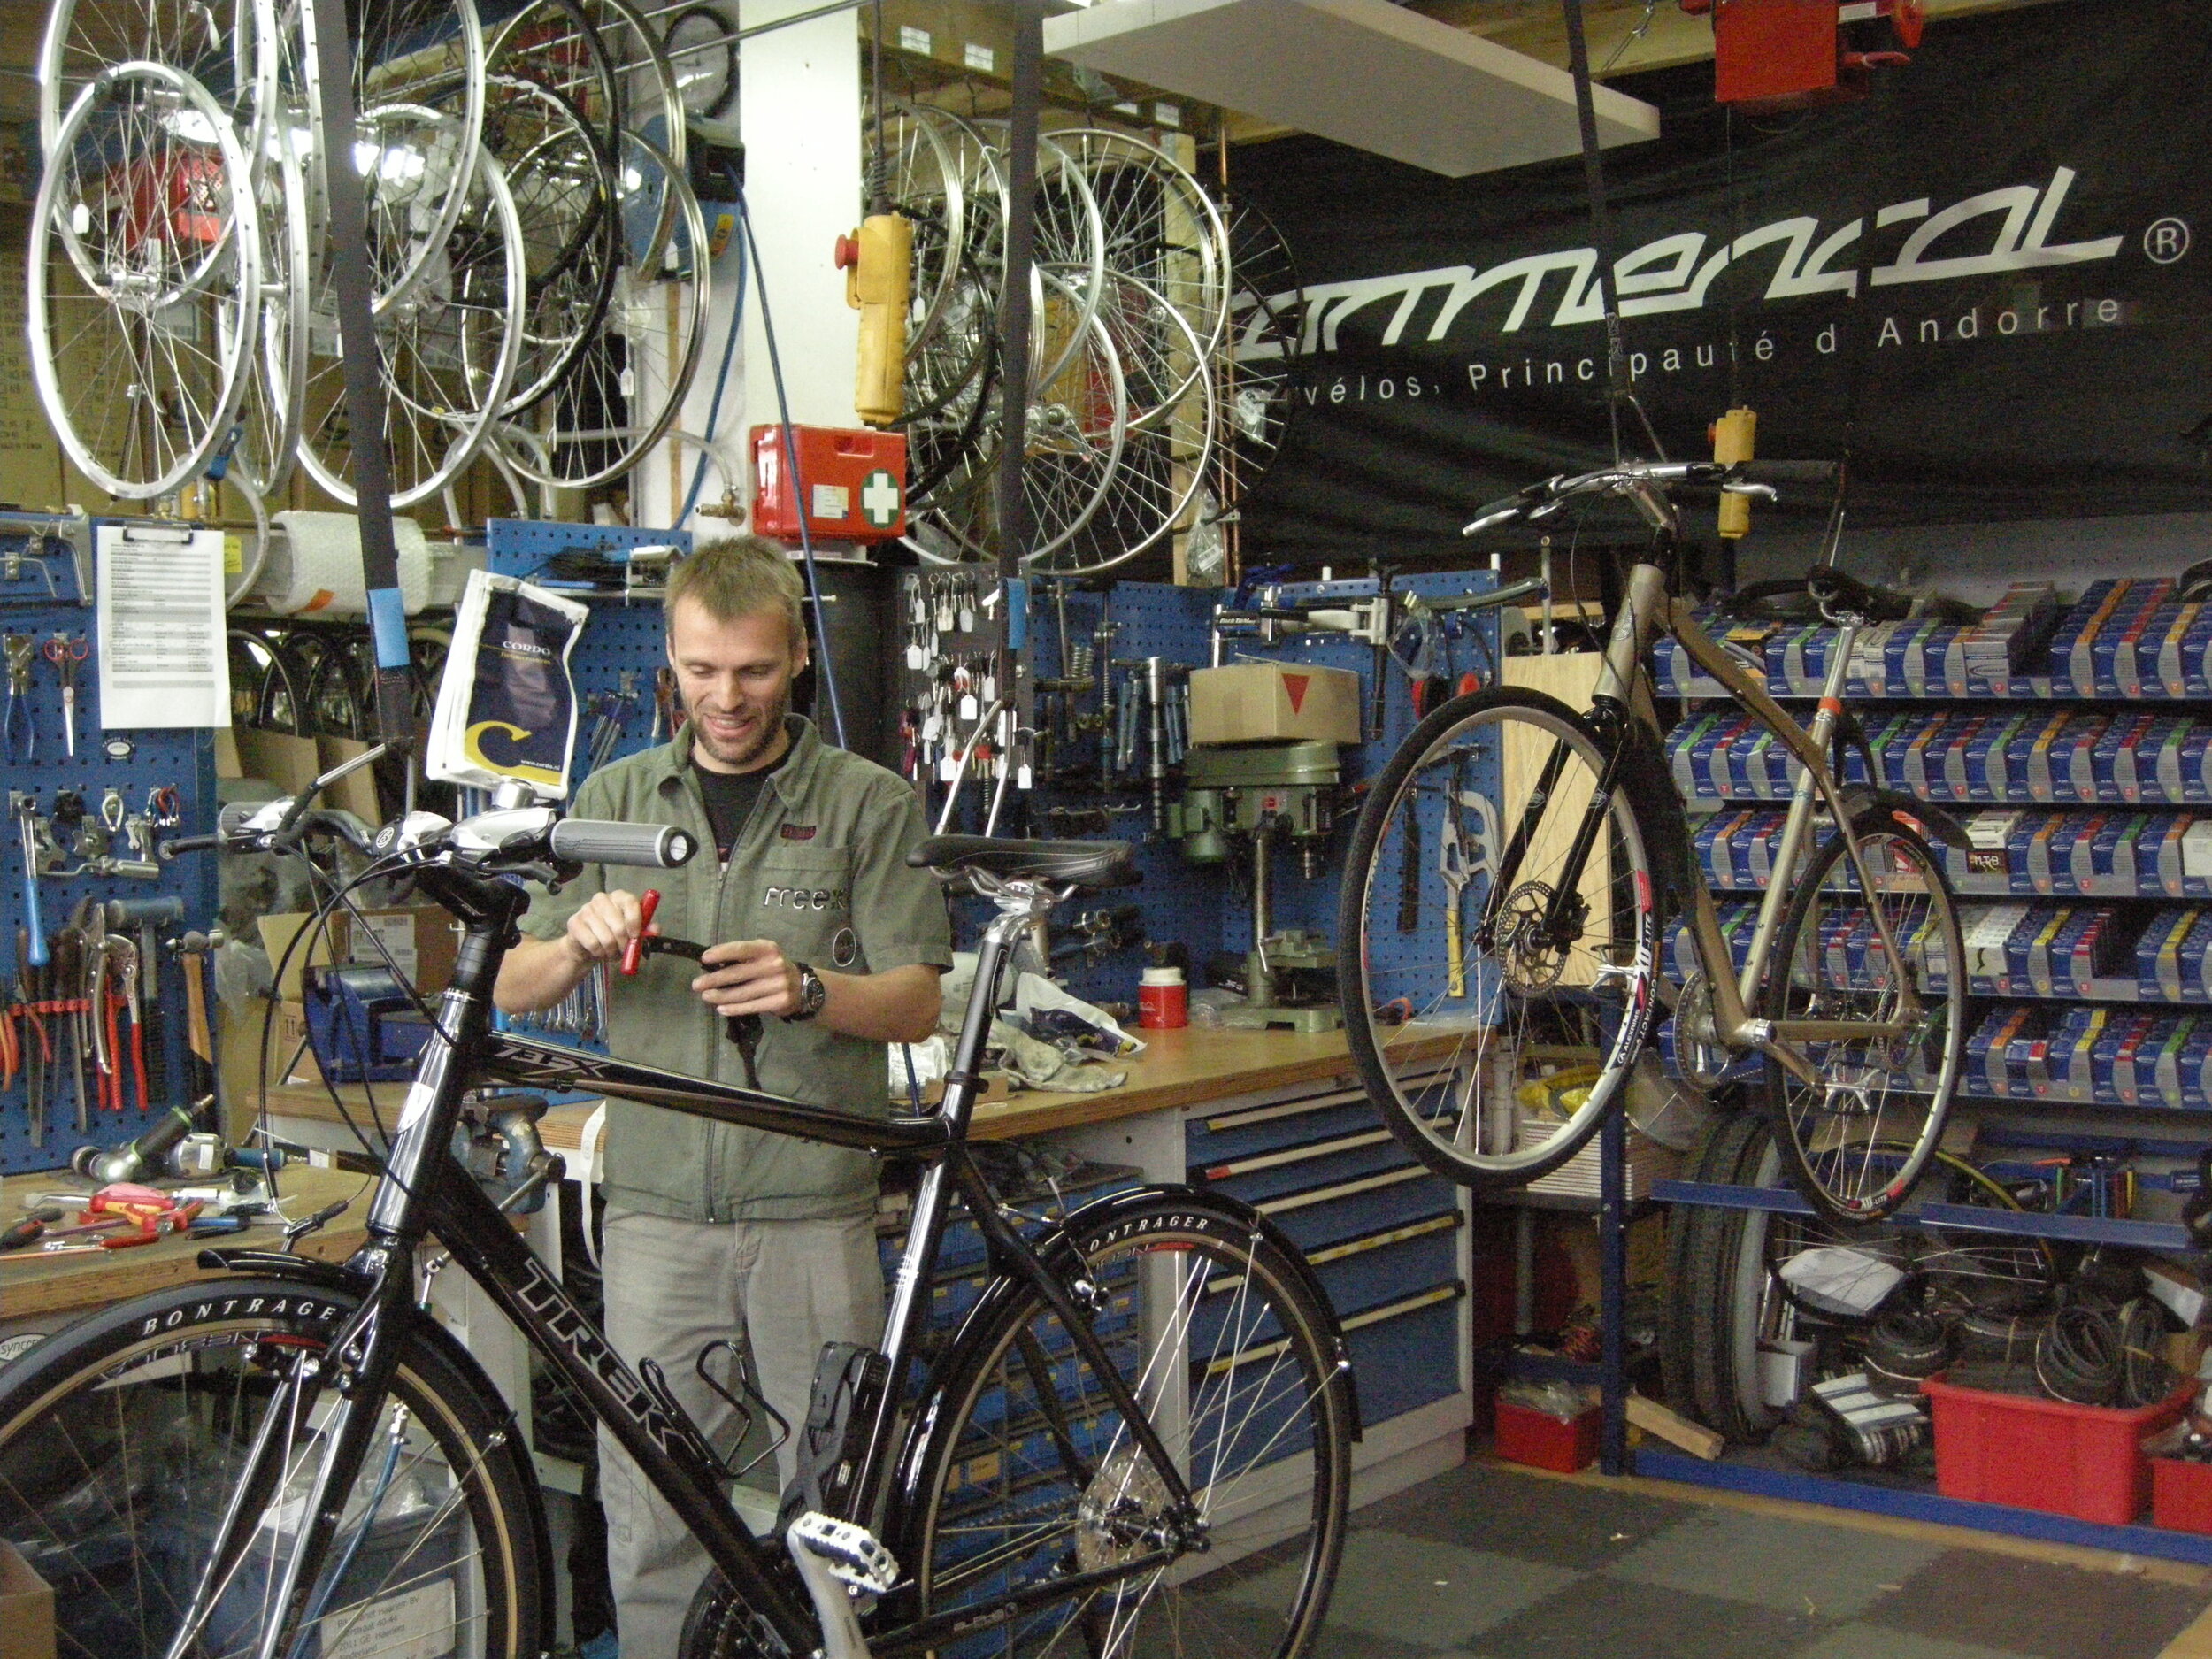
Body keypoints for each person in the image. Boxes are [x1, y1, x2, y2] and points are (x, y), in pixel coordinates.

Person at [495, 535, 951, 1655]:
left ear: (797, 657)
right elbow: (513, 979)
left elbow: (914, 1004)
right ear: (670, 659)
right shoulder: (611, 797)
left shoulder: (867, 804)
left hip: (811, 1208)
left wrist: (810, 989)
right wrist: (579, 945)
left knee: (836, 1512)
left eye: (750, 670)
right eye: (701, 670)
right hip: (655, 1216)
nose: (725, 698)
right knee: (652, 1518)